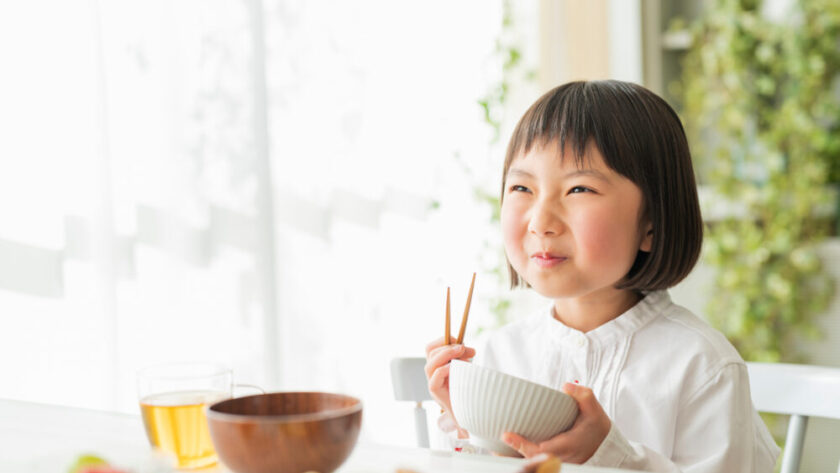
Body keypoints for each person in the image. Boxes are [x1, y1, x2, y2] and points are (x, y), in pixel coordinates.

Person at [424, 80, 780, 472]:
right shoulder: (502, 356)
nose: (541, 222)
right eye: (522, 187)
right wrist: (465, 421)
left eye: (579, 189)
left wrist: (606, 454)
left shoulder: (702, 367)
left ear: (651, 224)